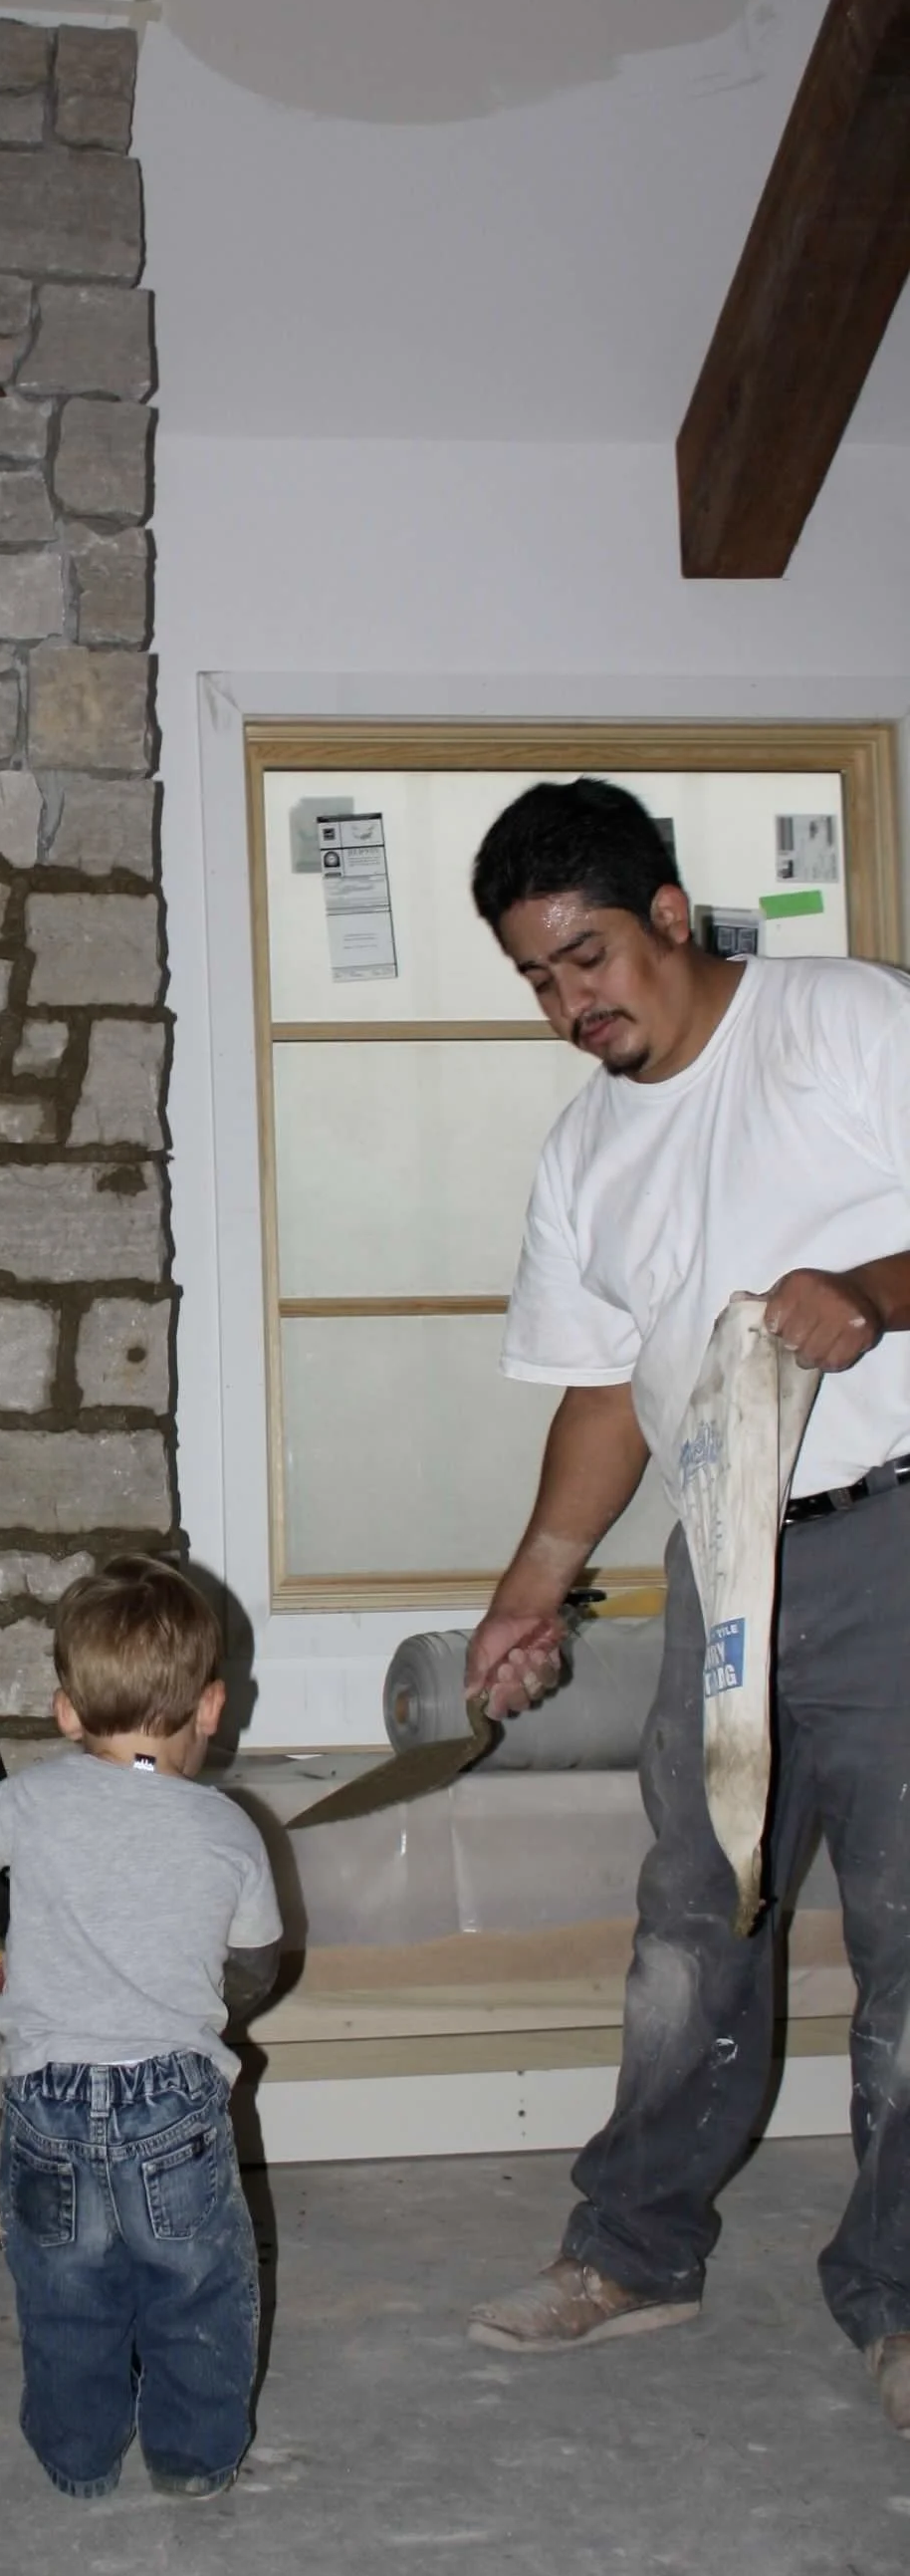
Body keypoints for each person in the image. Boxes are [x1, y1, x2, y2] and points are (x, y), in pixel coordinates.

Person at [460, 776, 910, 2442]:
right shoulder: (586, 1149)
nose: (572, 1005)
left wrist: (870, 1293)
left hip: (893, 1538)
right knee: (688, 1929)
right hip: (723, 1557)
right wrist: (527, 1586)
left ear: (668, 912)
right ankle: (634, 2248)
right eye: (537, 979)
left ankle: (903, 2293)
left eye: (587, 956)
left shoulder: (845, 1023)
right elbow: (606, 1392)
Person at [0, 1557, 284, 2498]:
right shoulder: (228, 1829)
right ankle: (194, 2462)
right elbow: (253, 1967)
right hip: (174, 2098)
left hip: (47, 2097)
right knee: (197, 2287)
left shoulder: (31, 1801)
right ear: (209, 1708)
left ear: (67, 1712)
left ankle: (78, 2463)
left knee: (66, 2292)